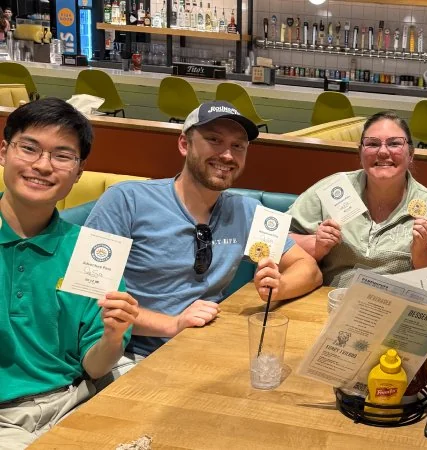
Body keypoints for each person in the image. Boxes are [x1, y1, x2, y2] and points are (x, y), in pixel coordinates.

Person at [85, 101, 321, 376]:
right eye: (214, 140)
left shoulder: (245, 212)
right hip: (132, 354)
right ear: (184, 144)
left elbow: (309, 269)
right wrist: (172, 324)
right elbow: (87, 296)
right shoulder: (127, 200)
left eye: (238, 146)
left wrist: (279, 286)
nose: (227, 155)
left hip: (205, 348)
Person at [0, 98, 139, 448]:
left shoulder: (92, 251)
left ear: (78, 172)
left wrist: (112, 336)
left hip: (78, 395)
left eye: (62, 156)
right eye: (29, 148)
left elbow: (94, 367)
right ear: (4, 152)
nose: (43, 166)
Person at [288, 111, 427, 287]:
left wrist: (424, 253)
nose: (382, 152)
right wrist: (316, 246)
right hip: (329, 302)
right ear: (360, 153)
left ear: (410, 154)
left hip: (399, 308)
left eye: (394, 144)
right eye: (372, 144)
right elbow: (274, 238)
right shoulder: (334, 190)